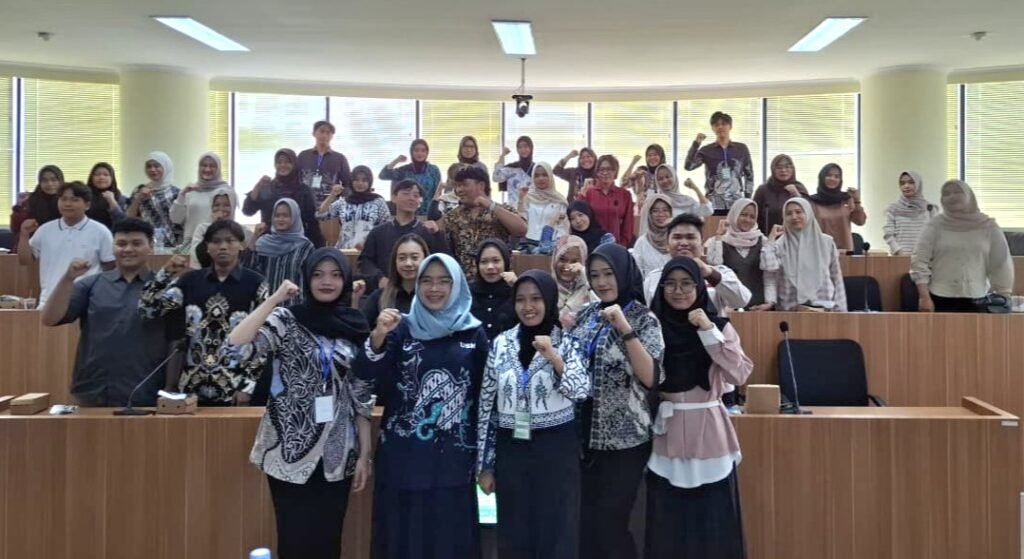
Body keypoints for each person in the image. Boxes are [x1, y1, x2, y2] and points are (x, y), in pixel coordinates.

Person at [225, 249, 373, 559]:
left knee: (328, 541)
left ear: (345, 280)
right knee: (294, 539)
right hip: (288, 449)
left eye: (335, 275)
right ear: (306, 279)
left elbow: (361, 394)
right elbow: (235, 349)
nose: (327, 282)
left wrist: (364, 454)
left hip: (338, 452)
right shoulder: (286, 319)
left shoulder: (355, 325)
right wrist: (275, 298)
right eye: (318, 274)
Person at [355, 253, 488, 559]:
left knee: (450, 539)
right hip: (404, 457)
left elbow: (485, 396)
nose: (434, 288)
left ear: (456, 286)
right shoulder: (400, 328)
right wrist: (377, 336)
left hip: (455, 460)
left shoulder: (473, 332)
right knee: (405, 539)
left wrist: (487, 460)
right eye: (426, 280)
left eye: (443, 281)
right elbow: (365, 377)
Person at [477, 270, 591, 559]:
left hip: (556, 451)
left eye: (536, 299)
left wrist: (553, 357)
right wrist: (485, 465)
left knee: (557, 531)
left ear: (549, 300)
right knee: (514, 531)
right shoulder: (501, 343)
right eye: (521, 300)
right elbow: (487, 406)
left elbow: (581, 390)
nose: (528, 307)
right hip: (511, 449)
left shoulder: (567, 342)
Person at [645, 256, 752, 559]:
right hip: (666, 433)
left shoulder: (719, 327)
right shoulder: (652, 328)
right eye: (670, 284)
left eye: (686, 283)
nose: (678, 291)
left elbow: (739, 374)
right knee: (668, 523)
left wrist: (708, 331)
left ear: (699, 287)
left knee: (713, 522)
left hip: (708, 430)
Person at [569, 243, 664, 559]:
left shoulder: (643, 318)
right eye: (595, 275)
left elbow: (651, 377)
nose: (602, 282)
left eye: (608, 274)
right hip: (581, 437)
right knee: (584, 525)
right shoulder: (586, 315)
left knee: (611, 525)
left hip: (624, 441)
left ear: (623, 273)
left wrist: (624, 328)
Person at [39, 218, 169, 407]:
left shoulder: (166, 287)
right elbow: (49, 319)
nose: (128, 249)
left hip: (148, 387)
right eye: (121, 244)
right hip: (94, 388)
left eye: (136, 243)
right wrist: (68, 278)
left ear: (151, 246)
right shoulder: (91, 284)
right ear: (112, 247)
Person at [139, 220, 269, 406]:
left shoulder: (256, 283)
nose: (223, 246)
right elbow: (148, 309)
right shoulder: (189, 281)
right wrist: (166, 273)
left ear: (241, 245)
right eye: (216, 241)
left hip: (235, 386)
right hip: (191, 386)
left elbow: (264, 339)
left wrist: (248, 386)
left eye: (230, 241)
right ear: (207, 246)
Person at [911, 180, 1013, 313]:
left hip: (978, 298)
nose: (952, 197)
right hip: (940, 298)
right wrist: (924, 297)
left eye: (958, 192)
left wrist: (1004, 295)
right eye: (946, 194)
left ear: (969, 196)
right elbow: (919, 262)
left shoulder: (988, 226)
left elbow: (1001, 263)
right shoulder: (934, 226)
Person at [18, 182, 115, 308]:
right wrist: (24, 235)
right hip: (49, 301)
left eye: (74, 200)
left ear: (87, 205)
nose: (67, 204)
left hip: (88, 301)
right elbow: (24, 261)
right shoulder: (45, 230)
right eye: (63, 199)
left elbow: (110, 266)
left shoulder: (101, 231)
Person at [424, 166, 527, 278]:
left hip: (498, 279)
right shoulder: (454, 215)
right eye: (457, 186)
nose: (459, 190)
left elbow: (521, 230)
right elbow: (434, 229)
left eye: (464, 185)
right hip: (465, 281)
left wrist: (490, 206)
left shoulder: (501, 210)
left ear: (481, 185)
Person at [643, 213, 752, 313]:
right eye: (677, 237)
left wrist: (709, 274)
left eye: (690, 237)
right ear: (667, 244)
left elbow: (741, 301)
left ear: (701, 243)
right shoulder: (654, 278)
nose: (684, 243)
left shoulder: (719, 273)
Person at [357, 179, 450, 289]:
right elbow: (365, 261)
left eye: (416, 196)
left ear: (420, 202)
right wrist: (379, 278)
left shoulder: (428, 231)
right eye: (406, 193)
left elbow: (444, 261)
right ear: (393, 197)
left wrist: (438, 235)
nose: (411, 198)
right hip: (385, 290)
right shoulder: (378, 232)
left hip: (419, 291)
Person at [763, 198, 847, 312]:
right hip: (790, 311)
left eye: (798, 212)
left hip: (825, 310)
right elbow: (770, 276)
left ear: (808, 213)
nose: (794, 217)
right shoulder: (779, 245)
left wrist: (841, 311)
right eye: (789, 214)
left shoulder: (826, 242)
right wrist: (770, 242)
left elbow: (836, 277)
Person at [243, 148, 324, 248]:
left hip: (296, 244)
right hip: (269, 243)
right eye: (279, 162)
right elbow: (248, 211)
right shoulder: (268, 187)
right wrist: (258, 186)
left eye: (287, 162)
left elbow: (312, 222)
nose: (283, 165)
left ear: (294, 164)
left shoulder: (304, 190)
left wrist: (319, 248)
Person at [705, 198, 777, 310]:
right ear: (735, 214)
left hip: (757, 308)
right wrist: (719, 236)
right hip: (728, 308)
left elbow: (769, 277)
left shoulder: (763, 241)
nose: (747, 220)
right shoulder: (717, 241)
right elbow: (715, 266)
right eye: (743, 215)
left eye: (752, 217)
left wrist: (769, 303)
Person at [243, 198, 315, 302]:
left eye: (286, 216)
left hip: (295, 305)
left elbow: (311, 279)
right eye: (277, 215)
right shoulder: (263, 243)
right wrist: (254, 237)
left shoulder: (306, 246)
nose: (280, 219)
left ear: (295, 217)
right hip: (266, 305)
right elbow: (247, 270)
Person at [684, 111, 756, 213]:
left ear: (730, 126)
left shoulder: (741, 149)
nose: (720, 127)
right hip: (713, 203)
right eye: (716, 125)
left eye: (724, 124)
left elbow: (749, 175)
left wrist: (747, 199)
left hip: (736, 202)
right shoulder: (707, 150)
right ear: (712, 128)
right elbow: (689, 166)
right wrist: (696, 144)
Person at [360, 233, 429, 329]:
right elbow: (359, 332)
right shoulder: (380, 297)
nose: (408, 263)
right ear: (395, 261)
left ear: (426, 259)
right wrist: (378, 332)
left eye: (414, 257)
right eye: (402, 258)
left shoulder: (434, 295)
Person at [318, 164, 390, 249]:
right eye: (356, 180)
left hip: (369, 250)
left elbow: (387, 227)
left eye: (364, 180)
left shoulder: (378, 202)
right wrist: (332, 195)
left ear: (369, 182)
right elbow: (321, 215)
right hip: (344, 249)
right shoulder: (343, 202)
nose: (360, 183)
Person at [171, 152, 233, 245]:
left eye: (212, 166)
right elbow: (176, 219)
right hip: (191, 243)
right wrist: (182, 194)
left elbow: (229, 219)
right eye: (204, 165)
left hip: (215, 243)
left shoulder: (225, 191)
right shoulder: (190, 191)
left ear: (218, 169)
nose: (207, 169)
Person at [126, 151, 182, 249]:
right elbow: (129, 217)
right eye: (149, 166)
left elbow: (180, 220)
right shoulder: (139, 190)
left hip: (171, 242)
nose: (152, 169)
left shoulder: (175, 192)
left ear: (166, 167)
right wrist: (139, 198)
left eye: (157, 166)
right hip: (145, 241)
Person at [578, 155, 635, 247]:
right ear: (597, 172)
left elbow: (628, 225)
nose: (605, 173)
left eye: (609, 169)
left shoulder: (625, 194)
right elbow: (579, 215)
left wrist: (623, 244)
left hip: (617, 246)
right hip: (592, 245)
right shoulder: (589, 193)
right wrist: (582, 195)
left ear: (615, 171)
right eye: (601, 169)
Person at [808, 163, 866, 252]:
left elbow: (860, 221)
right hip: (821, 251)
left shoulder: (846, 199)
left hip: (845, 251)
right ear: (822, 177)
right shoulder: (813, 201)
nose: (832, 179)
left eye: (836, 176)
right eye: (829, 175)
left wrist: (857, 201)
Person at [468, 239, 517, 340]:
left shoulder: (515, 292)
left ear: (505, 262)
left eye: (496, 261)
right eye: (484, 262)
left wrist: (518, 286)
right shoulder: (468, 293)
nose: (490, 267)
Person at [517, 162, 569, 254]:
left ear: (550, 177)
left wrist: (557, 246)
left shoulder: (559, 200)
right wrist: (521, 199)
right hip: (528, 244)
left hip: (551, 246)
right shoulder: (527, 197)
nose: (541, 178)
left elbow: (562, 228)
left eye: (545, 175)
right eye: (537, 176)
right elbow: (521, 220)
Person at [380, 139, 442, 216]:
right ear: (412, 152)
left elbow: (438, 192)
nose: (419, 153)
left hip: (428, 213)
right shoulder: (405, 170)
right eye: (416, 150)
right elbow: (383, 175)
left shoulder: (433, 170)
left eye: (423, 150)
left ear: (427, 153)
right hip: (407, 213)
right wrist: (397, 161)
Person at [884, 170, 939, 255]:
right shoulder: (893, 209)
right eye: (902, 183)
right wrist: (899, 252)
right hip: (900, 258)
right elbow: (888, 234)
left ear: (918, 184)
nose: (906, 186)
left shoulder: (929, 208)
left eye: (911, 182)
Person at [297, 120, 352, 203]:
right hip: (305, 202)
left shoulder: (339, 158)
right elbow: (295, 178)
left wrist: (341, 198)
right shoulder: (303, 155)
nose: (324, 135)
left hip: (330, 203)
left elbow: (348, 184)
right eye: (321, 131)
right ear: (314, 133)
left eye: (328, 133)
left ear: (332, 136)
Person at [753, 154, 808, 235]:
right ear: (773, 170)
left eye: (787, 167)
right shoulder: (763, 190)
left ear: (793, 169)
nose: (783, 170)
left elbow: (809, 214)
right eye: (779, 167)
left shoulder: (799, 188)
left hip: (796, 237)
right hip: (768, 237)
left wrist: (797, 194)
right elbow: (753, 216)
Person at [189, 187, 241, 270]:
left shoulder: (241, 230)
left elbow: (244, 259)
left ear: (233, 206)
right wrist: (214, 226)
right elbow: (198, 257)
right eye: (216, 205)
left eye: (226, 205)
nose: (221, 209)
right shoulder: (202, 228)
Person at [551, 235, 597, 329]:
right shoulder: (546, 288)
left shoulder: (588, 288)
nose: (567, 266)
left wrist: (584, 274)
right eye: (562, 259)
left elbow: (599, 306)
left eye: (574, 261)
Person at [643, 164, 713, 218]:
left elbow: (707, 212)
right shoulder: (655, 201)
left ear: (674, 177)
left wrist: (696, 189)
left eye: (668, 177)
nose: (665, 181)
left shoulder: (687, 200)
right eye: (660, 179)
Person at [631, 194, 674, 277]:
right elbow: (637, 274)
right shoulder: (642, 243)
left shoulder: (677, 239)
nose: (660, 214)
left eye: (665, 210)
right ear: (649, 214)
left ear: (671, 213)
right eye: (655, 211)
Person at [493, 136, 535, 208]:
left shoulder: (536, 169)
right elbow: (496, 177)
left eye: (525, 146)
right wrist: (502, 155)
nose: (523, 150)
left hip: (531, 209)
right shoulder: (511, 168)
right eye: (520, 147)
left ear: (531, 148)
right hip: (513, 209)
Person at [84, 162, 126, 229]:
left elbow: (122, 222)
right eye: (97, 174)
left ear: (112, 178)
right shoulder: (84, 195)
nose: (101, 177)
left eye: (106, 175)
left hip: (111, 233)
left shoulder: (119, 197)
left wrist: (112, 201)